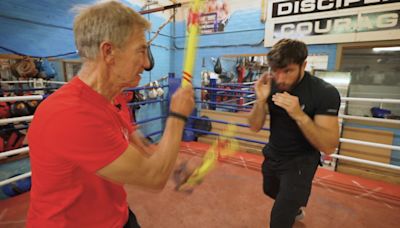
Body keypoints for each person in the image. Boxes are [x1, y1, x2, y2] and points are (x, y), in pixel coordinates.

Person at [27, 1, 194, 227]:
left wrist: (170, 163)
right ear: (109, 52)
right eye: (141, 50)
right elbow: (153, 177)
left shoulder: (112, 98)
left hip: (117, 216)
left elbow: (140, 146)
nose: (146, 64)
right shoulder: (70, 114)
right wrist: (177, 116)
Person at [248, 39, 340, 228]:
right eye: (275, 71)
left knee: (279, 220)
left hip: (301, 162)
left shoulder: (323, 92)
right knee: (270, 190)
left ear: (303, 65)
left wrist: (300, 115)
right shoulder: (272, 84)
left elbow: (329, 145)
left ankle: (290, 206)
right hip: (274, 154)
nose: (280, 78)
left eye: (288, 71)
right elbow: (254, 127)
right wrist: (260, 101)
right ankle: (294, 207)